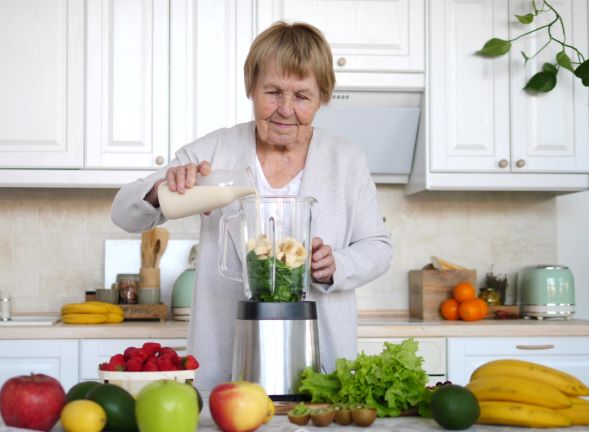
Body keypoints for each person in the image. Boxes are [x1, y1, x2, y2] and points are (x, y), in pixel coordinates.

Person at [111, 21, 393, 390]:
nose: (286, 109)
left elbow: (379, 248)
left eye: (302, 96)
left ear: (322, 97)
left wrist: (336, 264)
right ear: (251, 89)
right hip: (224, 352)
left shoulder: (346, 160)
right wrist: (161, 188)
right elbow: (123, 214)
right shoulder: (213, 151)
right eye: (273, 92)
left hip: (321, 352)